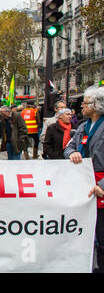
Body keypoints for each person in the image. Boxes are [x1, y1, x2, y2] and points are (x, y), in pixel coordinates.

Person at [64, 86, 104, 273]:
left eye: (85, 103)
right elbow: (69, 147)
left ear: (96, 106)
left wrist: (102, 185)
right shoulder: (82, 126)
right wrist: (72, 153)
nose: (81, 106)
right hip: (83, 185)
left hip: (100, 185)